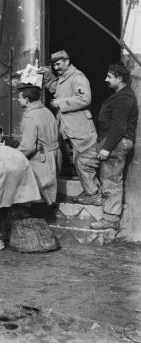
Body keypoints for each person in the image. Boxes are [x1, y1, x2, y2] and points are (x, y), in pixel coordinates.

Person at [42, 50, 100, 205]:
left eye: (58, 63)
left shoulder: (77, 77)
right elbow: (56, 88)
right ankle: (90, 191)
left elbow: (84, 98)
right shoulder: (64, 78)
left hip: (80, 127)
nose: (56, 67)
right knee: (76, 160)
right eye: (54, 64)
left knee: (84, 160)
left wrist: (60, 103)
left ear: (67, 61)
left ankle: (93, 194)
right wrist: (48, 74)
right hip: (68, 127)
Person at [90, 63, 138, 231]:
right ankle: (97, 196)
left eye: (109, 77)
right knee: (93, 167)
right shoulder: (120, 95)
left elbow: (119, 126)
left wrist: (107, 148)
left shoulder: (124, 98)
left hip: (115, 143)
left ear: (120, 78)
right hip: (111, 141)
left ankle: (111, 219)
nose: (105, 79)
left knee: (111, 181)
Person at [16, 84, 61, 206]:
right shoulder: (46, 110)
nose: (18, 100)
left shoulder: (31, 117)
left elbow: (28, 148)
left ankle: (42, 219)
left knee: (41, 190)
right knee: (49, 189)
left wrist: (14, 155)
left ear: (27, 100)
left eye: (19, 98)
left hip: (42, 157)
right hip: (53, 152)